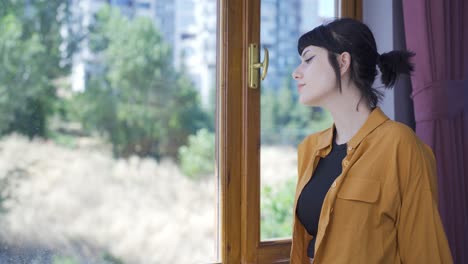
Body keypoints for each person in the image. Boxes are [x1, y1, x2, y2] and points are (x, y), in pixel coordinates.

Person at [290, 18, 453, 264]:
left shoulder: (400, 145)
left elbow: (425, 251)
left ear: (343, 62)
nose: (296, 72)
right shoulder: (310, 148)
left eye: (308, 59)